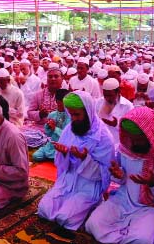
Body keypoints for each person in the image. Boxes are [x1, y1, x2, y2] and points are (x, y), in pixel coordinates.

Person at [86, 107, 154, 244]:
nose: (134, 143)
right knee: (93, 224)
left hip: (153, 207)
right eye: (132, 139)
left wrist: (153, 183)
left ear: (151, 134)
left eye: (139, 139)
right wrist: (119, 174)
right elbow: (122, 176)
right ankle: (126, 236)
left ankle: (128, 235)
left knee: (141, 239)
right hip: (124, 199)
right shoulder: (126, 145)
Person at [38, 91, 114, 231]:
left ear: (88, 111)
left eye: (77, 114)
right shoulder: (70, 128)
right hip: (68, 179)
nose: (73, 119)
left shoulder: (103, 137)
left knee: (65, 218)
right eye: (71, 114)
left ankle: (92, 204)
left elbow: (105, 172)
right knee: (44, 210)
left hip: (88, 186)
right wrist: (64, 153)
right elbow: (61, 164)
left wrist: (85, 159)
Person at [32, 89, 70, 162]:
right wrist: (48, 126)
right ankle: (53, 157)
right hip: (52, 144)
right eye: (60, 102)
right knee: (36, 156)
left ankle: (57, 158)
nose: (64, 105)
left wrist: (54, 128)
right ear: (57, 101)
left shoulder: (70, 116)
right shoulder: (52, 114)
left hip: (63, 146)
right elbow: (48, 133)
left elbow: (68, 135)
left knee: (59, 159)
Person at [96, 78, 134, 144]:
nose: (107, 98)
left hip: (119, 143)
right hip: (102, 142)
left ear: (118, 91)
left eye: (110, 95)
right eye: (105, 95)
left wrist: (117, 124)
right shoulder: (99, 102)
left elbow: (131, 129)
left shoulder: (127, 106)